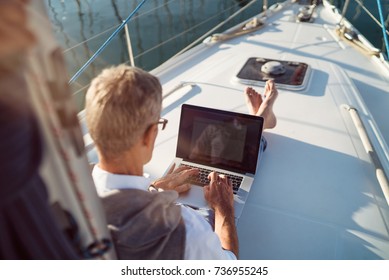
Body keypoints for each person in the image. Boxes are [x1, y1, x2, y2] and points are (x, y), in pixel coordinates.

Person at [85, 65, 278, 260]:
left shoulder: (75, 196)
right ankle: (259, 122)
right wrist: (224, 209)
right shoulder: (188, 230)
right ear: (148, 136)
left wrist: (152, 190)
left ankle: (260, 120)